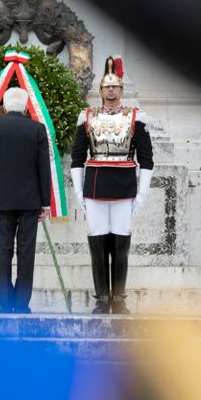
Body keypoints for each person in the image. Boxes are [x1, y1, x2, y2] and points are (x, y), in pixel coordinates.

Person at [71, 56, 154, 314]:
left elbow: (147, 159)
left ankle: (118, 298)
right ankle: (101, 299)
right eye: (106, 86)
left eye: (115, 86)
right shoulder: (86, 117)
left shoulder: (136, 118)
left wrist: (141, 194)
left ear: (121, 89)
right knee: (97, 242)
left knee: (120, 242)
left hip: (123, 186)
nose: (110, 90)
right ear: (100, 90)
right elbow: (77, 158)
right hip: (95, 186)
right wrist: (77, 191)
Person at [0, 87, 51, 314]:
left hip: (1, 200)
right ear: (26, 106)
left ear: (5, 104)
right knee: (26, 252)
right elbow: (43, 168)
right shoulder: (37, 129)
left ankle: (4, 301)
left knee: (4, 251)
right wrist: (46, 202)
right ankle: (21, 303)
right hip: (31, 201)